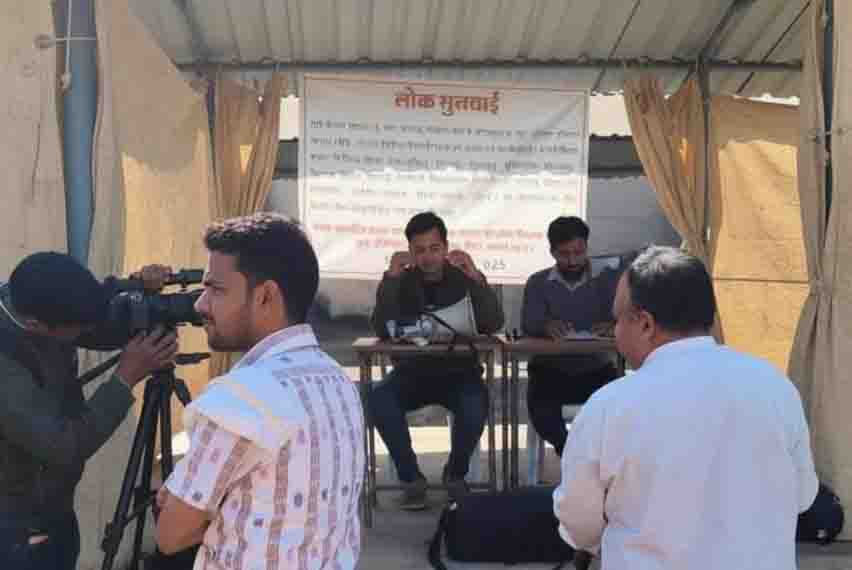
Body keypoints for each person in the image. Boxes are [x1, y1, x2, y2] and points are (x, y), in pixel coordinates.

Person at [554, 246, 818, 570]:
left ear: (645, 324)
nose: (616, 331)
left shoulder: (610, 406)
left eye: (617, 319)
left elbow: (579, 521)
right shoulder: (776, 387)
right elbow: (802, 496)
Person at [156, 213, 365, 570]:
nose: (200, 304)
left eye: (216, 289)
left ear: (266, 296)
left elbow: (170, 534)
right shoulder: (338, 381)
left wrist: (201, 505)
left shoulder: (241, 398)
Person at [0, 252, 179, 570]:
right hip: (17, 527)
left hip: (52, 510)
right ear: (34, 325)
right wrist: (124, 379)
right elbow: (65, 445)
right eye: (76, 329)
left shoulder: (31, 299)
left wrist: (136, 290)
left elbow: (92, 319)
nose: (86, 330)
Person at [369, 211, 504, 510]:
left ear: (445, 247)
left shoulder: (462, 277)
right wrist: (391, 278)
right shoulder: (401, 280)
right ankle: (411, 479)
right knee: (379, 398)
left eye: (434, 248)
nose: (428, 257)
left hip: (459, 373)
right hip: (412, 373)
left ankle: (455, 474)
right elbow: (381, 328)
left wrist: (475, 277)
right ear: (410, 251)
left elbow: (493, 323)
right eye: (419, 250)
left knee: (476, 402)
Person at [522, 216, 620, 457]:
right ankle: (571, 453)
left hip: (597, 370)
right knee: (541, 411)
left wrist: (614, 326)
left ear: (586, 247)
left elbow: (626, 317)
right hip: (549, 372)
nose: (573, 260)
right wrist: (544, 326)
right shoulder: (538, 283)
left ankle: (593, 458)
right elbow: (528, 323)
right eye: (564, 254)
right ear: (552, 252)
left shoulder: (607, 280)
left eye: (579, 252)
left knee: (617, 408)